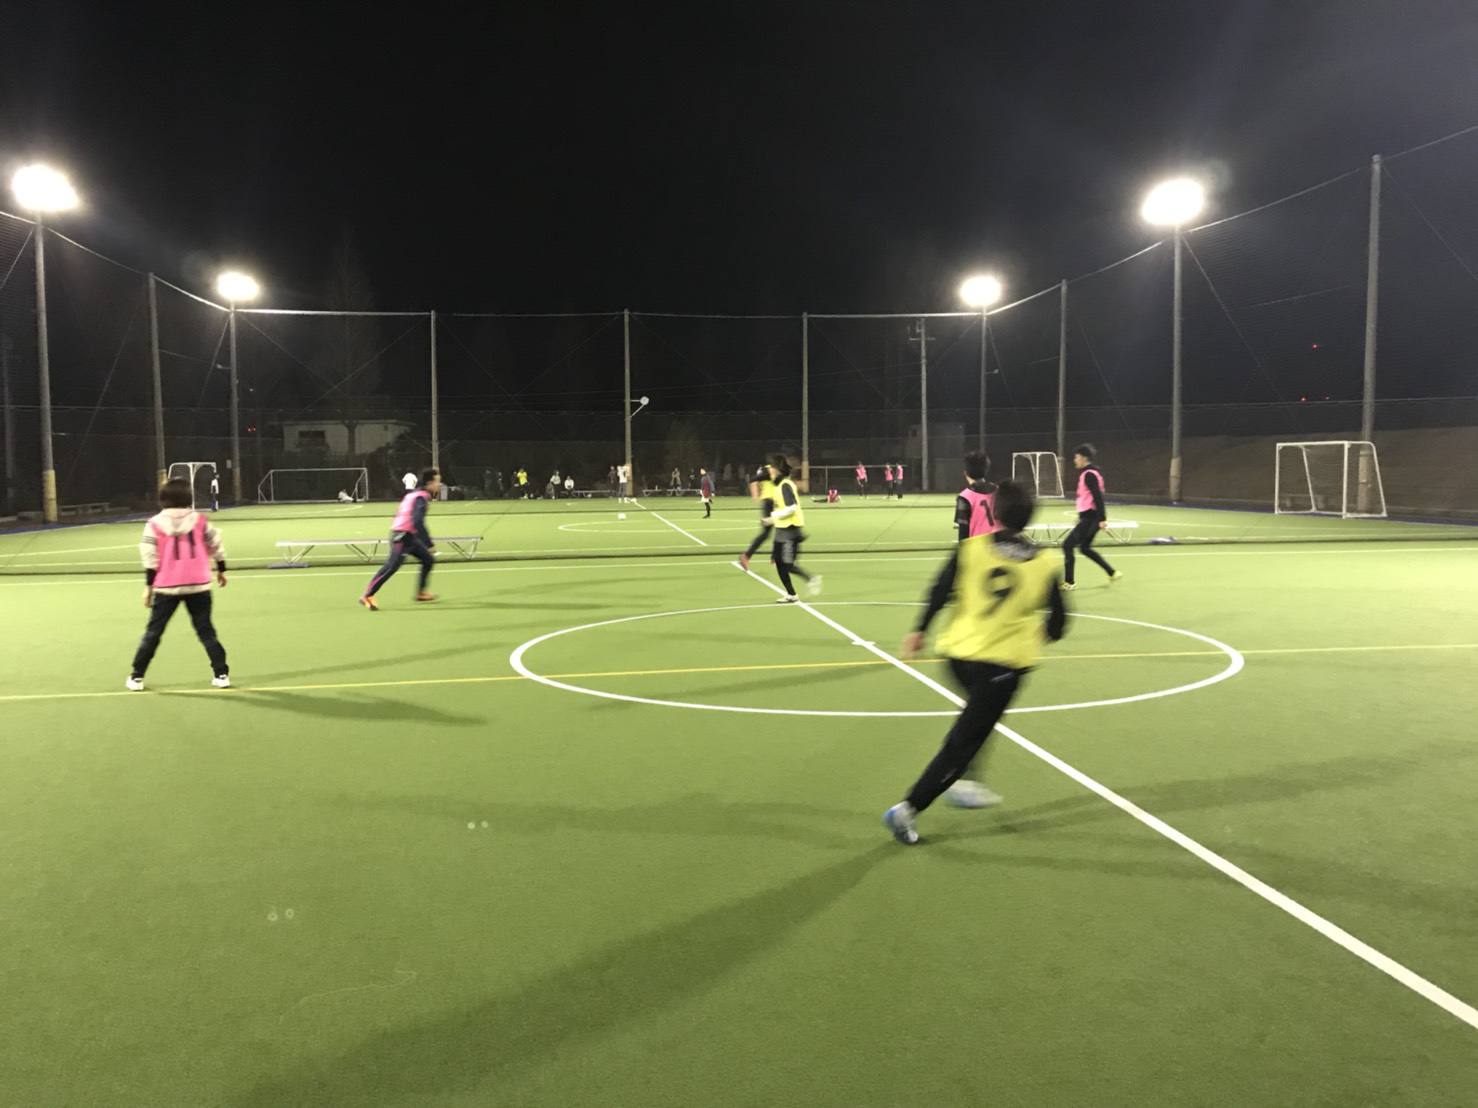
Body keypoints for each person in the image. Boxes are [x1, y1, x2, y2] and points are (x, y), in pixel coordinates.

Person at [883, 481, 1069, 844]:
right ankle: (909, 808)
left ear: (994, 513)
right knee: (964, 741)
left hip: (956, 655)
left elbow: (939, 590)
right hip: (1001, 666)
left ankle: (966, 779)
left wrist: (920, 629)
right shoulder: (1044, 563)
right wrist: (1044, 633)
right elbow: (1060, 622)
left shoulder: (970, 549)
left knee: (976, 719)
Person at [126, 477, 230, 691]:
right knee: (206, 632)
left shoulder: (154, 524)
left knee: (154, 632)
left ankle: (136, 677)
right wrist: (221, 569)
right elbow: (215, 544)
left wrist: (148, 588)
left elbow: (150, 557)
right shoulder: (200, 520)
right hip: (199, 585)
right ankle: (221, 674)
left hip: (166, 586)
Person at [359, 468, 441, 610]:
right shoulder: (421, 498)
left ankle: (421, 593)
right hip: (401, 536)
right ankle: (367, 595)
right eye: (437, 482)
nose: (439, 485)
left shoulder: (415, 494)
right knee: (391, 567)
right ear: (429, 483)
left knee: (428, 560)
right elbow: (417, 522)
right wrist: (429, 543)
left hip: (409, 536)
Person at [1061, 443, 1123, 591]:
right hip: (1089, 517)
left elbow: (1098, 497)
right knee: (1084, 548)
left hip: (1090, 518)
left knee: (1067, 545)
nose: (1075, 460)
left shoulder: (1089, 475)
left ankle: (1069, 582)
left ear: (1084, 458)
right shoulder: (1090, 473)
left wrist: (1102, 519)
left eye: (1076, 457)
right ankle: (1112, 572)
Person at [761, 454, 821, 602]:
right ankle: (791, 594)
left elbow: (792, 507)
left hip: (790, 530)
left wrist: (773, 516)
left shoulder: (785, 485)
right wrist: (771, 520)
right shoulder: (778, 486)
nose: (769, 469)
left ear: (777, 469)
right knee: (778, 562)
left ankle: (811, 578)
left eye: (771, 467)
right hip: (781, 529)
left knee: (787, 564)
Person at [955, 450, 999, 541]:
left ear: (966, 472)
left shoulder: (965, 497)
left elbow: (963, 530)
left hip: (977, 545)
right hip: (999, 544)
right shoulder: (998, 490)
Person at [739, 463, 775, 571]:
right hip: (770, 502)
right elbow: (754, 480)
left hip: (775, 503)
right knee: (769, 532)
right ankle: (747, 555)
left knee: (774, 532)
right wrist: (755, 494)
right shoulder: (769, 470)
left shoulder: (774, 471)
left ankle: (774, 557)